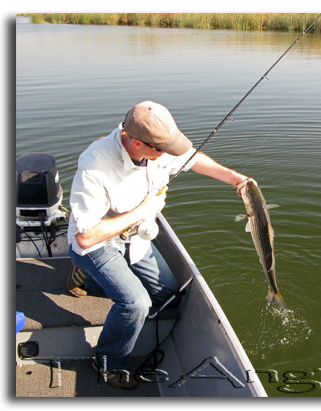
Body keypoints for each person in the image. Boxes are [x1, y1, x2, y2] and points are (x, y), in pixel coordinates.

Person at [67, 101, 249, 389]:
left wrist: (234, 178)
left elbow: (192, 158)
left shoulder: (156, 147)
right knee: (136, 304)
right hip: (99, 245)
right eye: (162, 151)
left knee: (167, 295)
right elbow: (85, 236)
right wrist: (144, 209)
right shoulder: (95, 165)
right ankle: (106, 362)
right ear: (137, 143)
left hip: (136, 240)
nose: (169, 156)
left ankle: (86, 280)